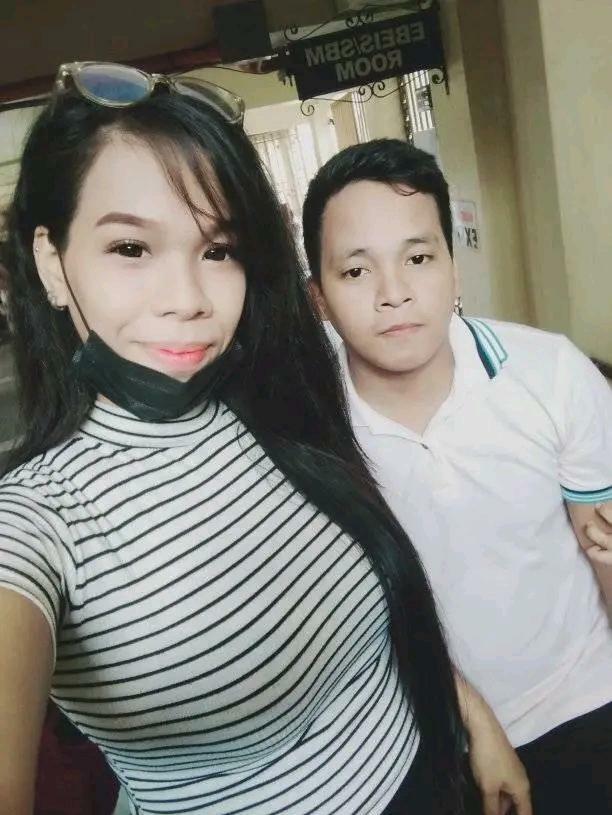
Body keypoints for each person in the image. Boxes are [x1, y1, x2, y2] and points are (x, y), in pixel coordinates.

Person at [0, 63, 471, 815]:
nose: (188, 300)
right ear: (52, 264)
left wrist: (475, 722)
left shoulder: (279, 402)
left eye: (217, 250)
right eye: (131, 249)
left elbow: (390, 625)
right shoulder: (35, 519)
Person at [303, 138, 612, 815]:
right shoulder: (310, 428)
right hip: (415, 734)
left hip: (584, 698)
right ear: (318, 298)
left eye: (418, 258)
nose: (394, 294)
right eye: (356, 271)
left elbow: (604, 550)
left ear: (453, 266)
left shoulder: (552, 374)